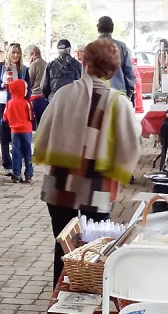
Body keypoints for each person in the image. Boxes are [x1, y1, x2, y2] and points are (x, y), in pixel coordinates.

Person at [34, 38, 141, 285]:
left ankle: (59, 296)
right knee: (93, 249)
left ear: (85, 62)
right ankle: (86, 299)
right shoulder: (118, 102)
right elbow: (130, 147)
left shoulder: (63, 94)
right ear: (113, 68)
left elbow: (44, 133)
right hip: (97, 187)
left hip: (60, 183)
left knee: (64, 243)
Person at [0, 43, 30, 173]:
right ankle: (7, 163)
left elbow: (29, 88)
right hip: (3, 102)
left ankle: (18, 161)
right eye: (13, 53)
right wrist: (1, 84)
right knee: (3, 131)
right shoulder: (1, 67)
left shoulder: (24, 69)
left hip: (18, 104)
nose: (16, 55)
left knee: (17, 133)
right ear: (8, 54)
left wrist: (24, 96)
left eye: (18, 53)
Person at [94, 15, 137, 100]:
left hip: (96, 95)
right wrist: (128, 94)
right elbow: (129, 73)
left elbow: (85, 75)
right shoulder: (121, 47)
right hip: (118, 94)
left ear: (98, 27)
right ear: (112, 27)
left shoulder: (90, 48)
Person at [3, 77, 34, 183]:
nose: (26, 91)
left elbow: (5, 118)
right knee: (27, 152)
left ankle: (16, 174)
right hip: (26, 130)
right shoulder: (27, 103)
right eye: (25, 89)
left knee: (16, 152)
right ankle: (28, 173)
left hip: (14, 131)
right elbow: (31, 117)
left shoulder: (9, 103)